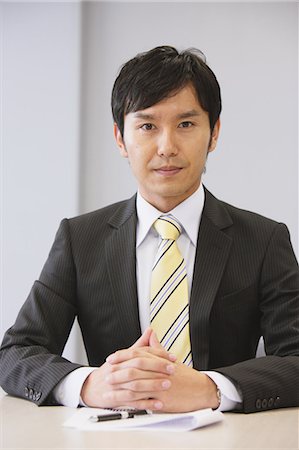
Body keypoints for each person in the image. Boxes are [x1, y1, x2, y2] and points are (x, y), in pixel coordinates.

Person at [0, 45, 298, 414]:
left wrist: (212, 388)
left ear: (214, 133)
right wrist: (91, 384)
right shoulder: (80, 239)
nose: (167, 147)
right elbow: (16, 352)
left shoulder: (263, 240)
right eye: (147, 126)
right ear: (120, 138)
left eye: (186, 124)